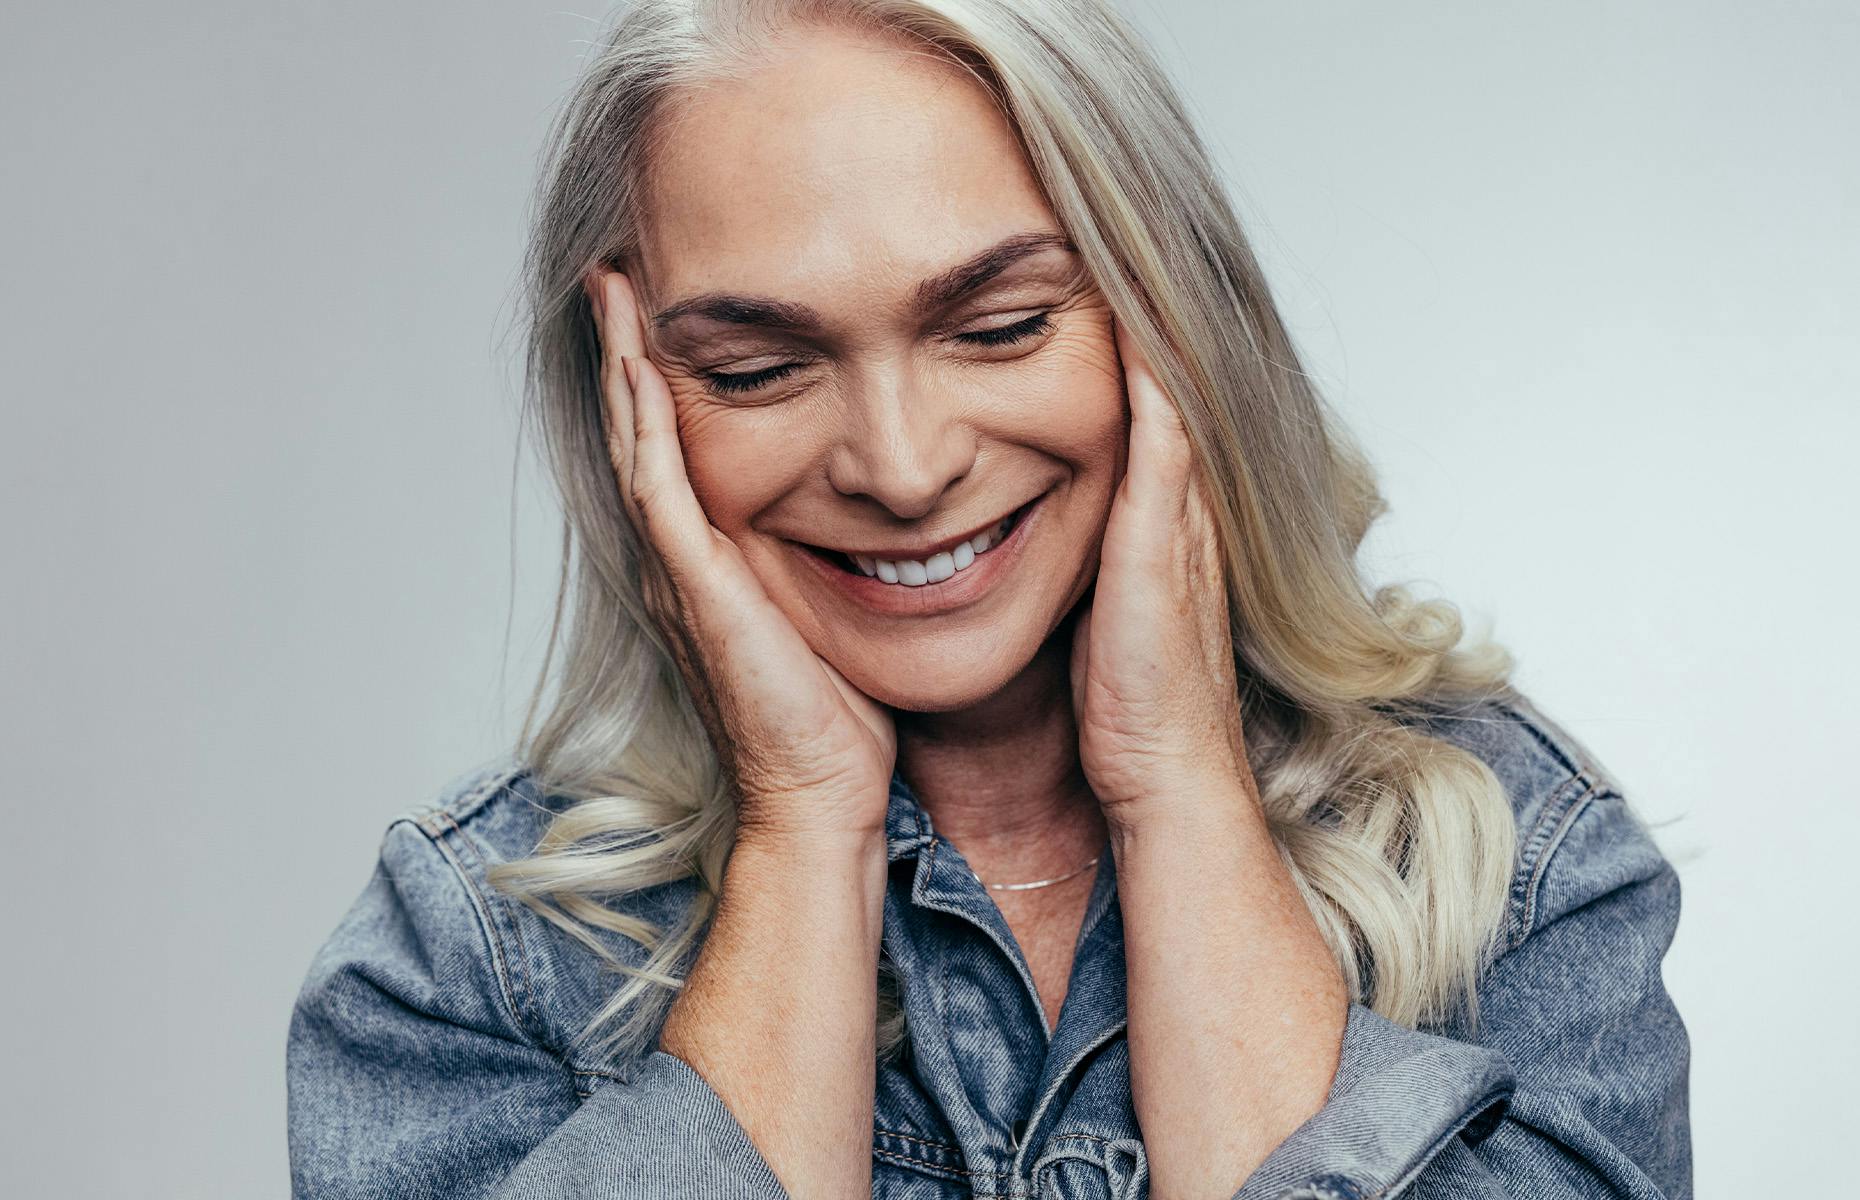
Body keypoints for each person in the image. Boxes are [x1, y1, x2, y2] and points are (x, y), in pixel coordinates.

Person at [285, 1, 1692, 1197]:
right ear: (629, 403)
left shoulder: (1524, 865)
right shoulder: (467, 954)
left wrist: (1175, 782)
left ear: (1174, 317)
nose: (902, 470)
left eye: (1002, 327)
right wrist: (804, 824)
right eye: (758, 370)